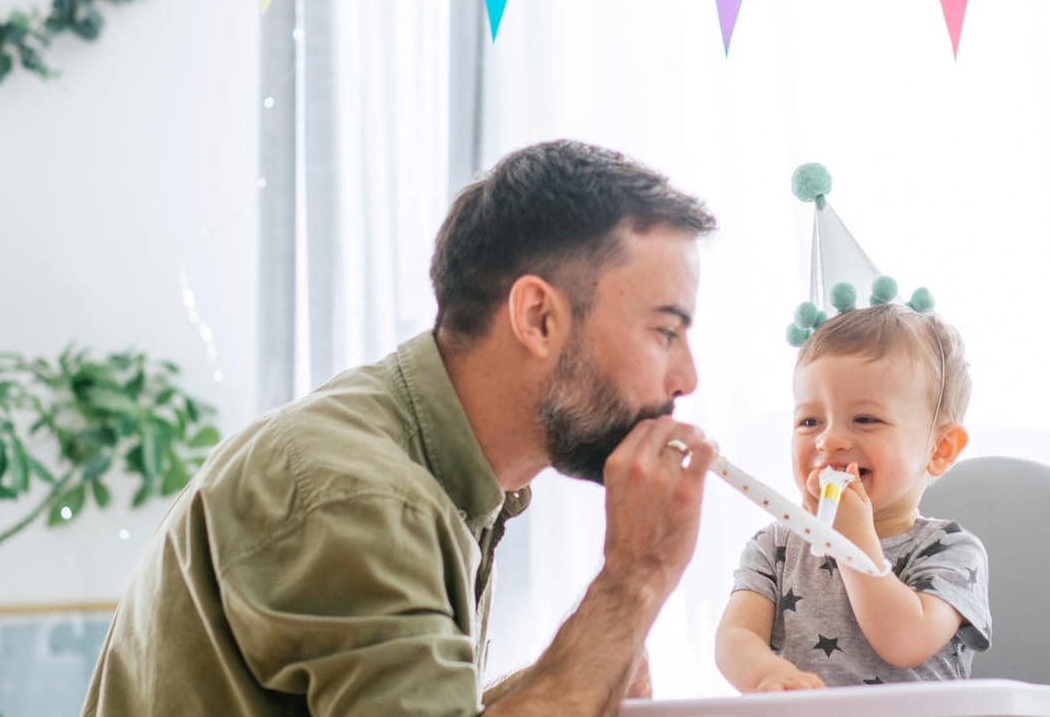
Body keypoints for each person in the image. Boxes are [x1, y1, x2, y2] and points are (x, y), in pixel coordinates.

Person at [83, 139, 719, 716]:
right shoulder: (359, 494)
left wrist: (576, 670)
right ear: (537, 317)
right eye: (665, 331)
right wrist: (634, 576)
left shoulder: (433, 477)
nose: (686, 378)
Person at [714, 303, 991, 690]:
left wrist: (849, 540)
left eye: (865, 419)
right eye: (810, 421)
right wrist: (770, 675)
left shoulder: (951, 551)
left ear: (940, 448)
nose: (829, 440)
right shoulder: (774, 547)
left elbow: (905, 641)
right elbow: (735, 637)